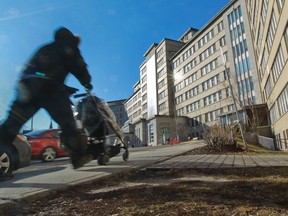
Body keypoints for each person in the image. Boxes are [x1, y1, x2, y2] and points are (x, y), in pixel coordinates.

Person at [0, 27, 94, 181]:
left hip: (27, 87)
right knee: (68, 123)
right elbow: (78, 65)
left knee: (11, 125)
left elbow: (41, 71)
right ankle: (78, 157)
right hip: (50, 89)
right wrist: (87, 82)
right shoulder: (69, 46)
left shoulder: (45, 48)